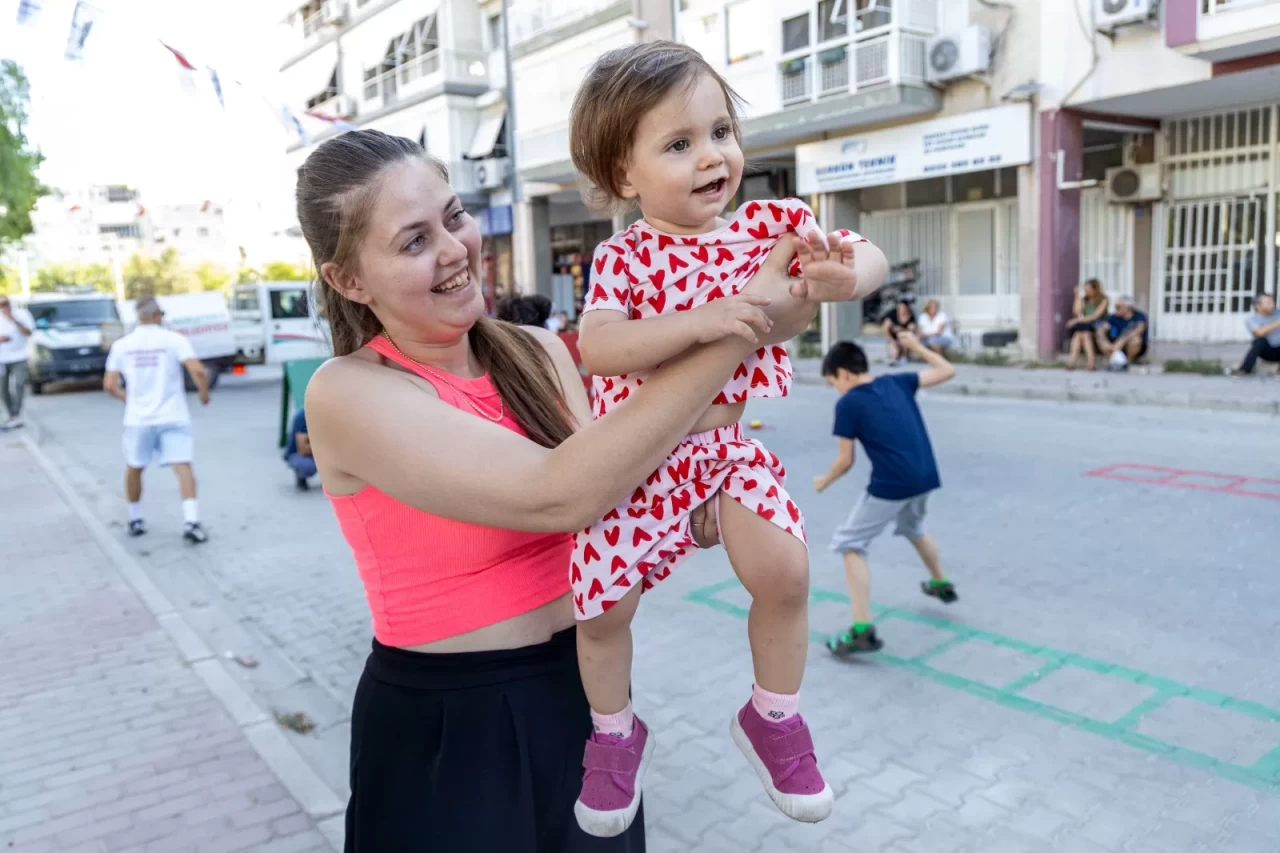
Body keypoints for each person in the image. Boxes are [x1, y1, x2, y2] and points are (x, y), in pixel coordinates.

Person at [296, 130, 838, 852]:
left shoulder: (541, 352)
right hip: (451, 724)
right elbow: (561, 493)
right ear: (348, 280)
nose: (456, 248)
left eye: (455, 217)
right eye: (414, 241)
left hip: (586, 695)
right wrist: (742, 326)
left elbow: (621, 486)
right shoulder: (348, 391)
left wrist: (704, 505)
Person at [567, 41, 887, 835]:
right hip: (636, 460)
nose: (712, 157)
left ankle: (772, 715)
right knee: (604, 610)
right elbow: (599, 345)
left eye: (719, 132)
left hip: (725, 452)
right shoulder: (625, 256)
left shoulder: (772, 226)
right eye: (679, 144)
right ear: (623, 176)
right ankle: (614, 733)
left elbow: (863, 251)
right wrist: (704, 320)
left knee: (785, 571)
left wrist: (853, 276)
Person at [814, 332, 958, 656]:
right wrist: (916, 347)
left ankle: (862, 629)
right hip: (925, 476)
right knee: (913, 528)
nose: (835, 388)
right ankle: (940, 583)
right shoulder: (897, 382)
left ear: (845, 373)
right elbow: (947, 371)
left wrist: (824, 481)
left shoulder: (848, 402)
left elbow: (845, 461)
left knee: (849, 544)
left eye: (832, 381)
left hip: (892, 484)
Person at [103, 297, 211, 544]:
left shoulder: (122, 345)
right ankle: (191, 521)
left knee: (135, 466)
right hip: (173, 414)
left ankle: (134, 519)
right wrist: (203, 393)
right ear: (157, 316)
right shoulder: (173, 340)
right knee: (183, 466)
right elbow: (198, 370)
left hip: (138, 418)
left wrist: (126, 398)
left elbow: (109, 384)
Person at [0, 295, 35, 429]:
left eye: (5, 303)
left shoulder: (21, 314)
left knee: (19, 384)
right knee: (2, 388)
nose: (3, 307)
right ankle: (11, 414)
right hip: (2, 359)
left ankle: (16, 413)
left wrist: (13, 319)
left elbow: (29, 332)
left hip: (19, 356)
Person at [1065, 278, 1109, 371]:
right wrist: (1077, 296)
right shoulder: (1084, 299)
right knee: (1079, 335)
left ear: (1095, 289)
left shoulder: (1104, 299)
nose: (1086, 291)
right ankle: (1075, 362)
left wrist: (1076, 321)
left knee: (1084, 334)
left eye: (1087, 289)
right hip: (1085, 325)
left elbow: (1095, 316)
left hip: (1098, 324)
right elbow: (1076, 312)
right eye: (1085, 289)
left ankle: (1089, 363)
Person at [1232, 292, 1280, 376]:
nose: (1272, 305)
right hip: (1267, 352)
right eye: (1269, 303)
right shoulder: (1251, 320)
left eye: (1273, 302)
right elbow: (1260, 332)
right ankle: (1244, 371)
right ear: (1258, 306)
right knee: (1259, 341)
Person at [1095, 295, 1148, 369]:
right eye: (1115, 306)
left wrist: (1122, 340)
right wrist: (1103, 339)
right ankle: (1115, 361)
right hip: (1114, 345)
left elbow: (1139, 329)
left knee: (1136, 339)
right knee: (1100, 338)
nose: (1116, 309)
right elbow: (1102, 326)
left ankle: (1127, 362)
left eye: (1118, 306)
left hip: (1130, 345)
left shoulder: (1139, 316)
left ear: (1128, 307)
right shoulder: (1114, 317)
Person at [283, 407, 317, 490]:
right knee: (307, 466)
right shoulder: (302, 416)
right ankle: (301, 476)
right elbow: (301, 445)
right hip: (304, 452)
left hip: (326, 451)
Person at [882, 299, 917, 365]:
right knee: (893, 344)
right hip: (893, 336)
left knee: (906, 340)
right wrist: (891, 340)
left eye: (903, 307)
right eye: (900, 307)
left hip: (905, 336)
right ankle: (894, 359)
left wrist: (901, 329)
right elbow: (885, 329)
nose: (901, 309)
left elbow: (912, 330)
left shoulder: (911, 315)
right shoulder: (892, 314)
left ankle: (904, 357)